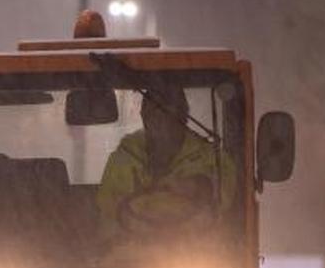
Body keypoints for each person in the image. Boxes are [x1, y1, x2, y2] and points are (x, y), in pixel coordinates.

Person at [95, 85, 236, 247]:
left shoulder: (212, 159)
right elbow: (107, 213)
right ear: (143, 116)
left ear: (183, 115)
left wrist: (198, 186)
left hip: (198, 261)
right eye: (152, 111)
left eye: (167, 111)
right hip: (128, 260)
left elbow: (226, 193)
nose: (159, 119)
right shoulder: (123, 160)